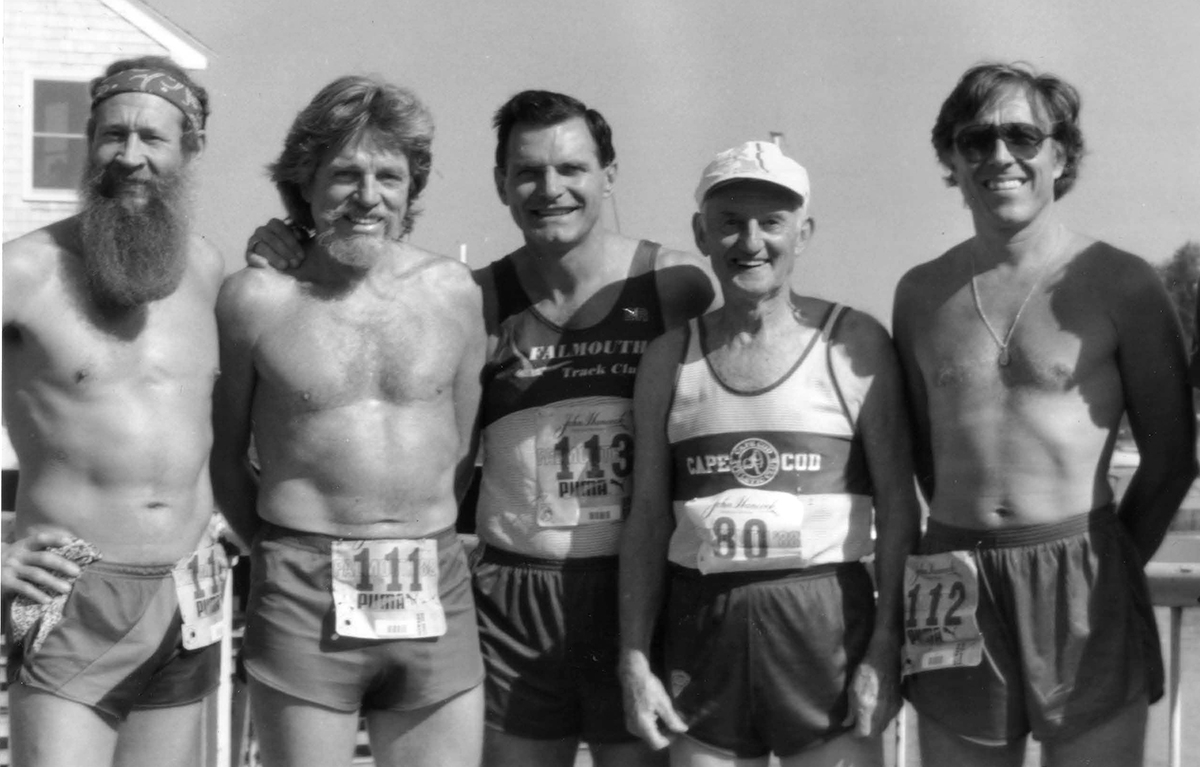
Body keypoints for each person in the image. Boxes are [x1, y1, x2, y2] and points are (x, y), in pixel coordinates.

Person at [246, 89, 715, 767]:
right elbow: (451, 454)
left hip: (630, 590)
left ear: (608, 173)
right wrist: (290, 241)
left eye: (572, 169)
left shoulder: (674, 286)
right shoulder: (475, 296)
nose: (550, 189)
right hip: (514, 594)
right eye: (527, 172)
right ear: (500, 183)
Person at [891, 62, 1198, 767]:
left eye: (1024, 136)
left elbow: (1172, 453)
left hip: (1083, 570)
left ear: (1061, 155)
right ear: (952, 158)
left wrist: (1110, 563)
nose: (1001, 156)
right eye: (977, 139)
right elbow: (926, 456)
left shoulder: (1122, 282)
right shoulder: (920, 293)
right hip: (953, 576)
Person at [211, 76, 487, 767]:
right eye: (344, 174)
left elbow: (461, 444)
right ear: (303, 183)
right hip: (303, 581)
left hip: (432, 580)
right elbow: (222, 457)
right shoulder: (254, 299)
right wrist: (282, 555)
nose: (368, 196)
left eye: (389, 175)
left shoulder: (454, 293)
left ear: (412, 188)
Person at [619, 141, 920, 767]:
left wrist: (887, 647)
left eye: (771, 223)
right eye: (730, 222)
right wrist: (634, 658)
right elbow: (647, 518)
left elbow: (898, 510)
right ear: (702, 233)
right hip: (704, 633)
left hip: (826, 630)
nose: (749, 241)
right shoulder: (669, 358)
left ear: (802, 232)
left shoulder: (853, 343)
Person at [1, 56, 225, 767]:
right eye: (111, 136)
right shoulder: (22, 273)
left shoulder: (210, 272)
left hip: (191, 593)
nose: (130, 157)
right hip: (72, 595)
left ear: (189, 150)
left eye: (153, 139)